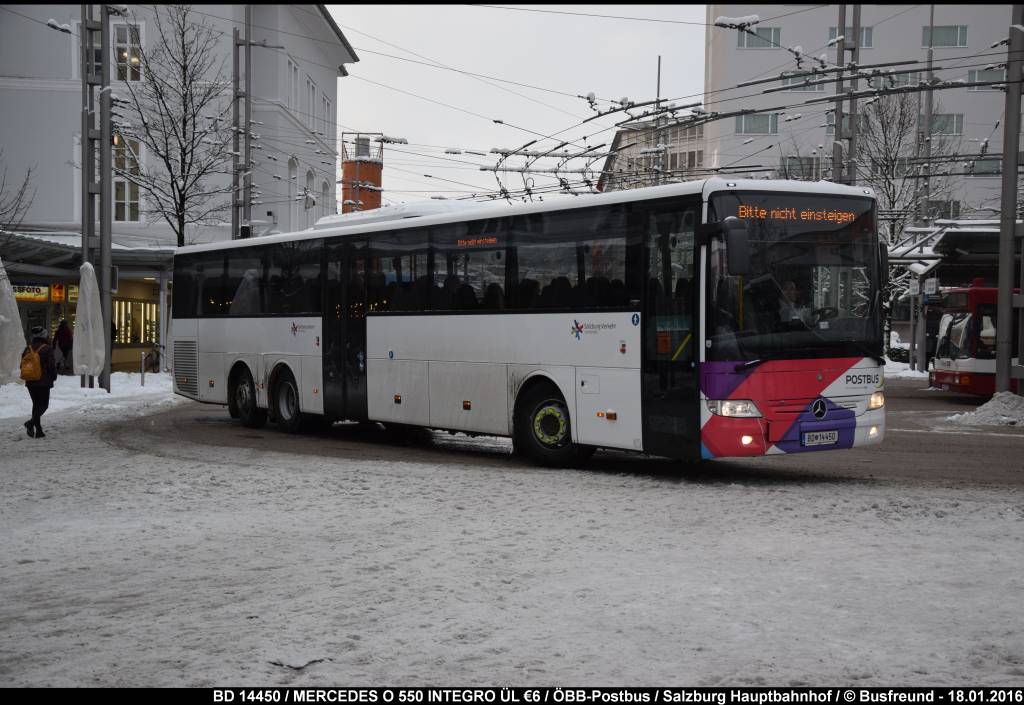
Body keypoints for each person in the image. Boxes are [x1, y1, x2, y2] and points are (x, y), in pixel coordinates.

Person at [22, 325, 57, 439]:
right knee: (43, 405)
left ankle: (39, 431)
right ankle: (30, 423)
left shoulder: (28, 348)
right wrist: (53, 376)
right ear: (43, 336)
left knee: (36, 405)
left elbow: (22, 363)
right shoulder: (47, 348)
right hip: (43, 381)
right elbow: (51, 365)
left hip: (30, 380)